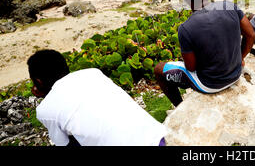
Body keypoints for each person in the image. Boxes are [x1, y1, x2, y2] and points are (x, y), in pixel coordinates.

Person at [28, 49, 167, 146]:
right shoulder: (93, 73)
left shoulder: (45, 109)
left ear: (38, 81)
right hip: (160, 139)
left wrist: (46, 95)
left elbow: (63, 143)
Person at [155, 0, 255, 106]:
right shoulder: (230, 6)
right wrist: (241, 58)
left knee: (159, 69)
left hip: (210, 85)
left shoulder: (185, 28)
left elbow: (191, 67)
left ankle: (179, 106)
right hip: (236, 73)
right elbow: (252, 35)